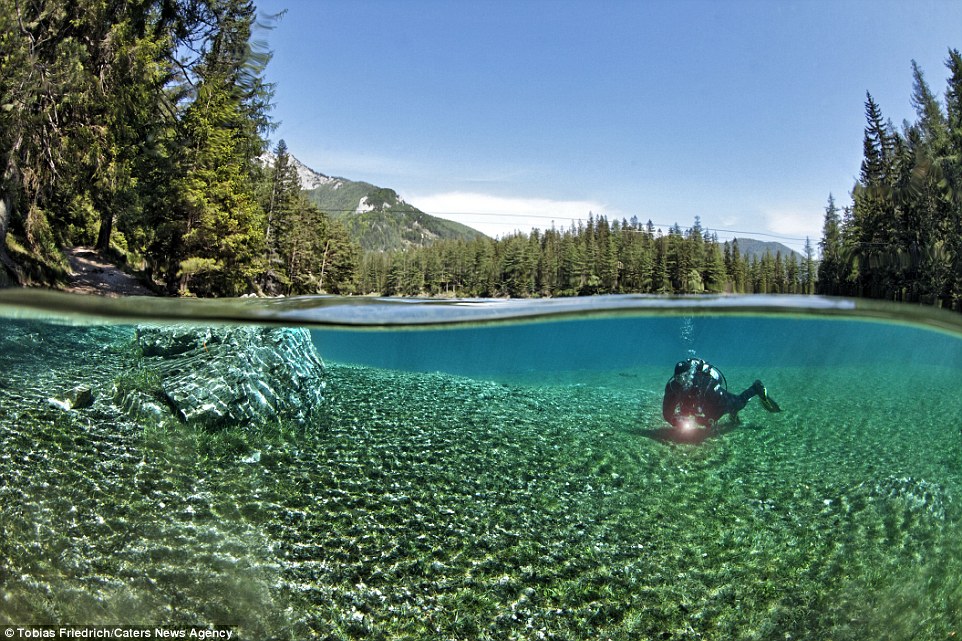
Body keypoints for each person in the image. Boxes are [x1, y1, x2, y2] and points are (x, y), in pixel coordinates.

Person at [662, 358, 780, 431]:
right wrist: (675, 421)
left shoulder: (705, 384)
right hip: (698, 400)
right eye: (678, 378)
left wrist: (707, 420)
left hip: (713, 393)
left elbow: (719, 409)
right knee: (690, 411)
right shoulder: (672, 387)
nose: (682, 381)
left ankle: (756, 388)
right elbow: (667, 412)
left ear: (691, 375)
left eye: (685, 377)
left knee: (736, 404)